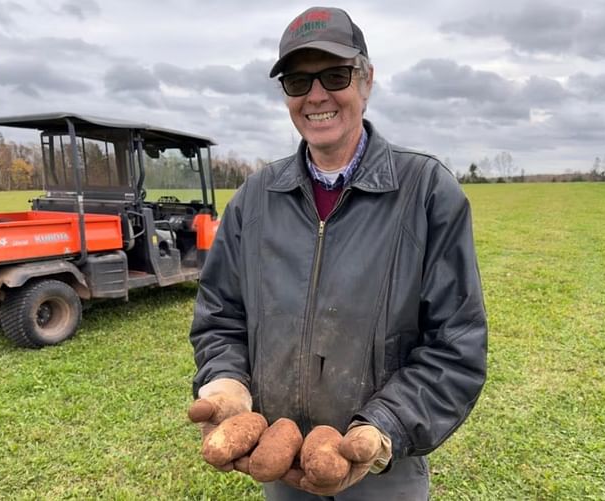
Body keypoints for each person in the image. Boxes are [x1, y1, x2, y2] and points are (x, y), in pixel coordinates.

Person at [189, 6, 487, 500]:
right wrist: (226, 383)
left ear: (366, 81)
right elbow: (220, 315)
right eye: (298, 81)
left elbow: (456, 345)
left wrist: (381, 427)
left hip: (382, 469)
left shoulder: (428, 193)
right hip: (279, 463)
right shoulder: (254, 200)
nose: (317, 96)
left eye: (335, 74)